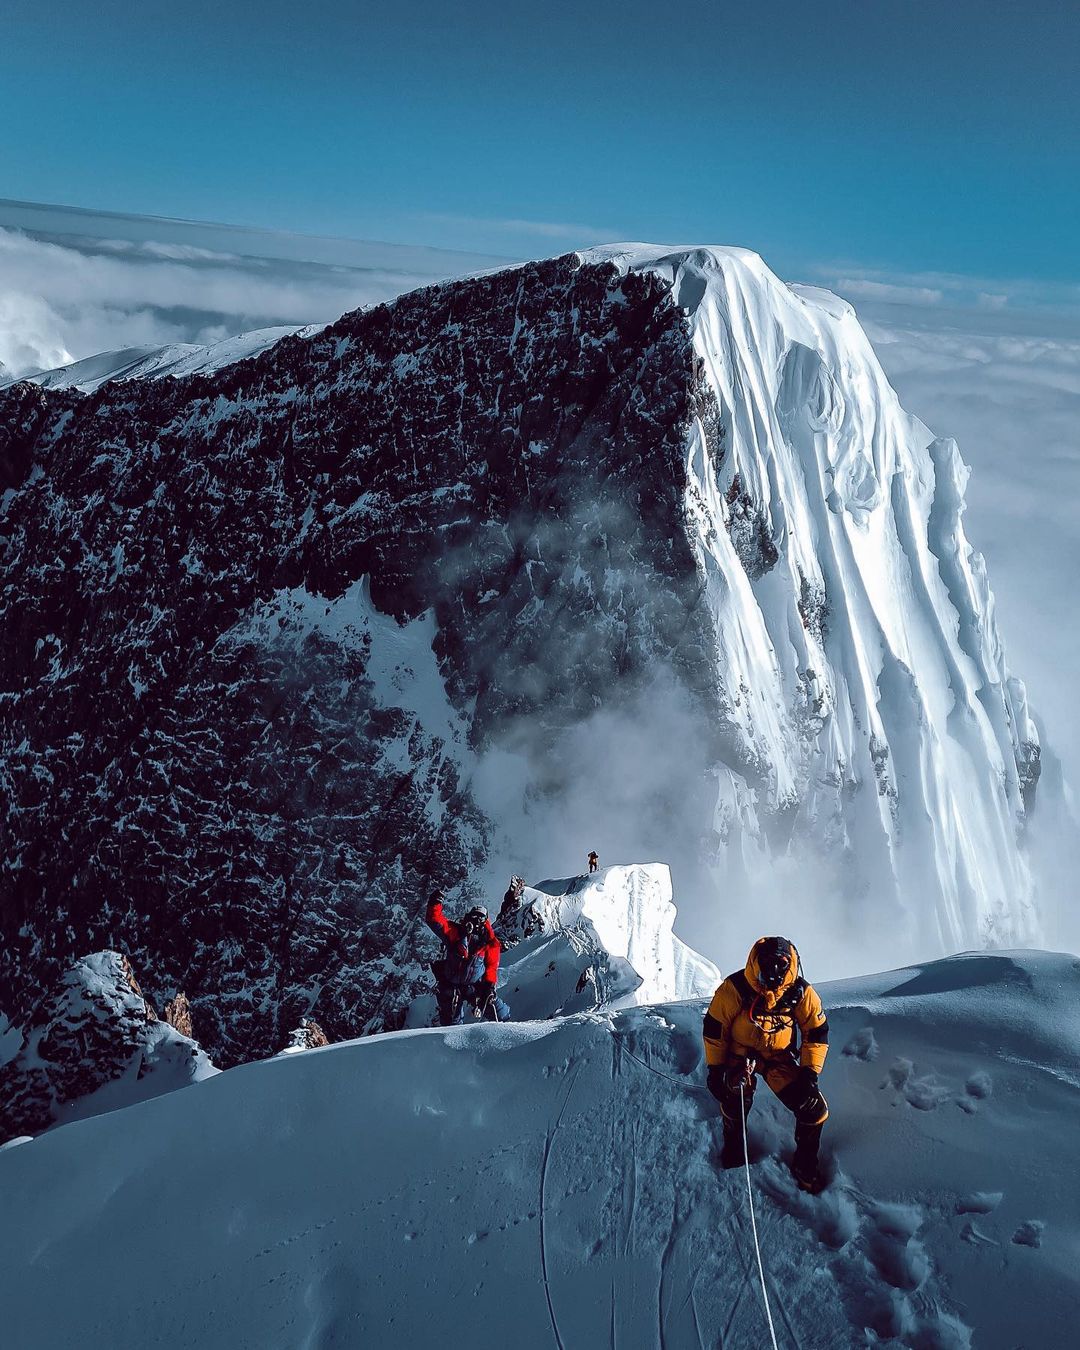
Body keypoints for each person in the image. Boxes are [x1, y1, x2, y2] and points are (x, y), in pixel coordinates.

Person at [702, 936, 829, 1193]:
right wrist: (717, 1070)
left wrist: (809, 1073)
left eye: (780, 965)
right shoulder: (735, 988)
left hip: (777, 1058)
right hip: (740, 1056)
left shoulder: (801, 993)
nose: (773, 972)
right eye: (768, 964)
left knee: (814, 1109)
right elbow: (715, 1029)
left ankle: (805, 1168)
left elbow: (816, 1031)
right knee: (733, 1097)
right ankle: (735, 1151)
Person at [425, 891, 510, 1026]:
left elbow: (491, 967)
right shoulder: (455, 932)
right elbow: (435, 921)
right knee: (451, 1023)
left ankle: (509, 1031)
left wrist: (489, 986)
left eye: (480, 918)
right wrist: (435, 904)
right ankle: (452, 1042)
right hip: (450, 984)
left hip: (475, 985)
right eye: (474, 916)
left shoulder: (490, 943)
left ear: (485, 922)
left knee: (498, 1011)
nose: (476, 921)